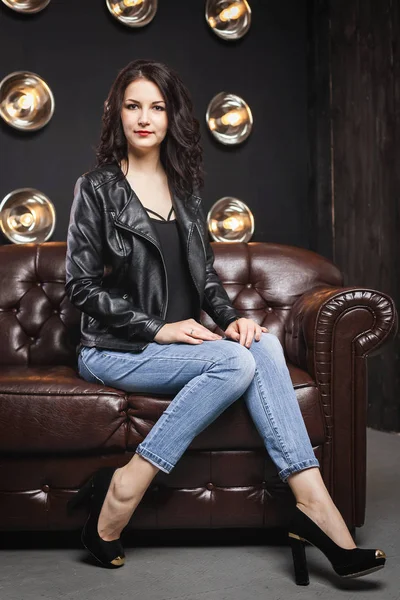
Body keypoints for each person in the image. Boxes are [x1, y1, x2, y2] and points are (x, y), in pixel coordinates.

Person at [65, 59, 386, 583]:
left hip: (181, 346)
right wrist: (157, 328)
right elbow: (81, 287)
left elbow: (207, 277)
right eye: (133, 105)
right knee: (235, 364)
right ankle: (127, 485)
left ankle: (315, 509)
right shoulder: (96, 188)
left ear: (172, 117)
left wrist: (233, 319)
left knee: (261, 347)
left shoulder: (186, 191)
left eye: (157, 107)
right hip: (114, 349)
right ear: (116, 114)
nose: (144, 118)